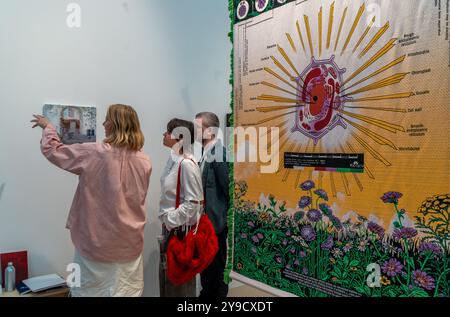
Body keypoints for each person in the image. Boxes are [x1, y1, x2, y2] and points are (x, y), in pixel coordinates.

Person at [30, 104, 152, 297]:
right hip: (129, 247)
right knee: (127, 292)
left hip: (96, 248)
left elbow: (54, 151)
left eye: (107, 119)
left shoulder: (95, 153)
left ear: (116, 124)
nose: (103, 123)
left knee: (88, 292)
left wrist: (48, 127)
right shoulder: (144, 160)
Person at [158, 118, 203, 297]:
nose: (164, 134)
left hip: (179, 232)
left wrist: (170, 220)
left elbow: (194, 204)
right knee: (169, 284)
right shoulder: (174, 160)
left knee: (179, 287)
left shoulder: (186, 164)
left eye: (168, 132)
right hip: (172, 230)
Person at [195, 112, 229, 298]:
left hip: (216, 224)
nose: (194, 131)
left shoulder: (218, 154)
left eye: (197, 127)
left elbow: (228, 189)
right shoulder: (206, 154)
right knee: (207, 272)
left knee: (216, 274)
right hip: (207, 225)